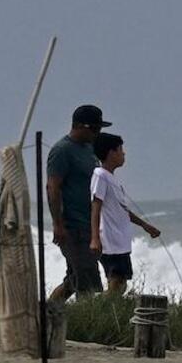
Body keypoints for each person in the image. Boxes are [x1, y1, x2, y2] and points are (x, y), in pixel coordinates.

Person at [46, 104, 110, 303]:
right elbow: (53, 188)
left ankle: (47, 314)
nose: (97, 133)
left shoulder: (90, 149)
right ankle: (89, 325)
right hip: (73, 226)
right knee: (87, 280)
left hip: (90, 225)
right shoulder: (62, 150)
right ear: (81, 126)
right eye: (95, 129)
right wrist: (58, 224)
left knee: (74, 279)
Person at [89, 132, 161, 295]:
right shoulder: (100, 175)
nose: (124, 153)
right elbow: (96, 206)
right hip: (109, 240)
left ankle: (101, 308)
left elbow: (122, 210)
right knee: (116, 282)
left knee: (121, 284)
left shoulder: (111, 178)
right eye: (120, 149)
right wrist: (94, 238)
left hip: (120, 241)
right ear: (110, 152)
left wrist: (145, 225)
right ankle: (98, 309)